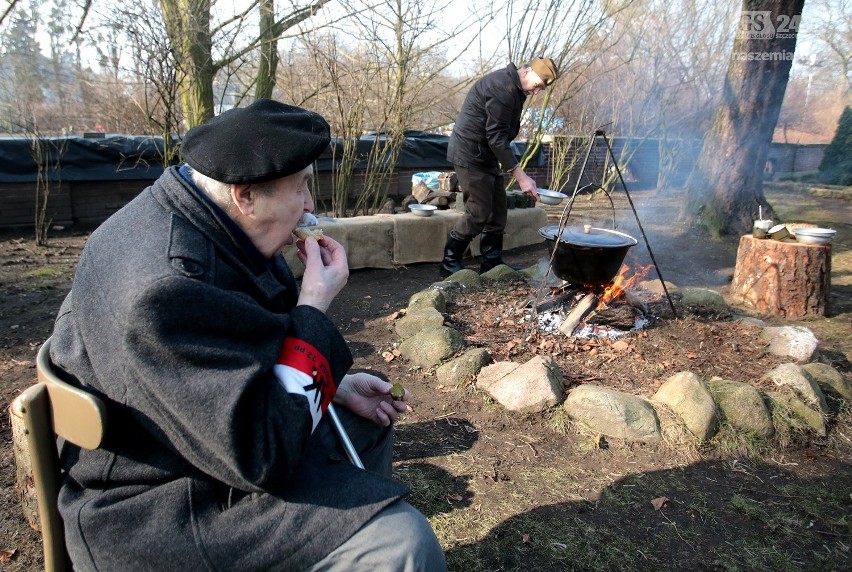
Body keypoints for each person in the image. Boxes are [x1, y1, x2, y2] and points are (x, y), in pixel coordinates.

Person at [48, 99, 447, 571]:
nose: (309, 205)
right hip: (160, 504)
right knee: (402, 542)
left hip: (201, 449)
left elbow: (228, 359)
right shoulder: (167, 291)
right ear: (246, 196)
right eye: (299, 188)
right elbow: (261, 455)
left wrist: (332, 390)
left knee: (368, 422)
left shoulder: (191, 217)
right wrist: (314, 305)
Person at [441, 57, 559, 277]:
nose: (536, 92)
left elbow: (500, 135)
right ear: (526, 72)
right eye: (537, 86)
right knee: (479, 212)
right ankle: (449, 261)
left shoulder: (515, 89)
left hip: (486, 155)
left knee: (497, 211)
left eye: (541, 89)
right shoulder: (502, 88)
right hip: (470, 154)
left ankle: (491, 263)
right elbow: (495, 137)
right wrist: (521, 176)